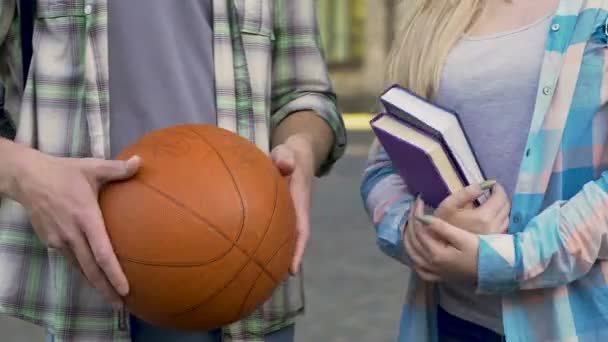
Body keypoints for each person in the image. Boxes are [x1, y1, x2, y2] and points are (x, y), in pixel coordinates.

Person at [0, 0, 346, 341]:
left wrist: (302, 147)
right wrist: (25, 174)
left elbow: (305, 94)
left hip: (251, 291)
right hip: (90, 299)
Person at [361, 0, 608, 341]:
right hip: (454, 320)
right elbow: (385, 161)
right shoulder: (435, 15)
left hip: (577, 323)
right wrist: (415, 229)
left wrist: (511, 258)